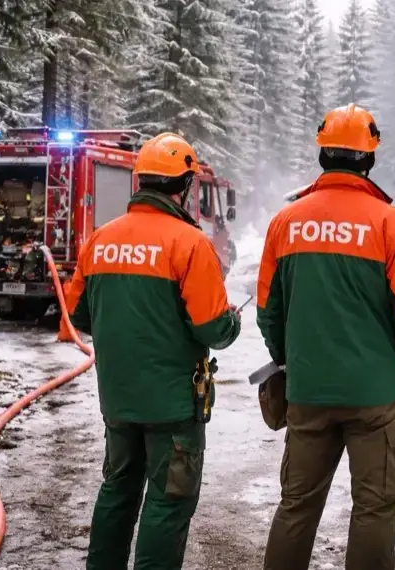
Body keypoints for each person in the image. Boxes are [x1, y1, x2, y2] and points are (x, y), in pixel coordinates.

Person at [257, 103, 395, 570]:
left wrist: (289, 358)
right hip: (376, 394)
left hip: (308, 389)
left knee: (296, 505)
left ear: (322, 156)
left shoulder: (286, 223)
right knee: (375, 509)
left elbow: (267, 310)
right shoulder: (392, 225)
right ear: (369, 158)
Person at [66, 133, 242, 569]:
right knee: (168, 501)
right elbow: (213, 328)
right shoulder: (190, 243)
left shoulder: (100, 239)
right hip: (173, 407)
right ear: (183, 187)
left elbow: (78, 315)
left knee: (117, 490)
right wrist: (232, 319)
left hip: (119, 400)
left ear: (139, 182)